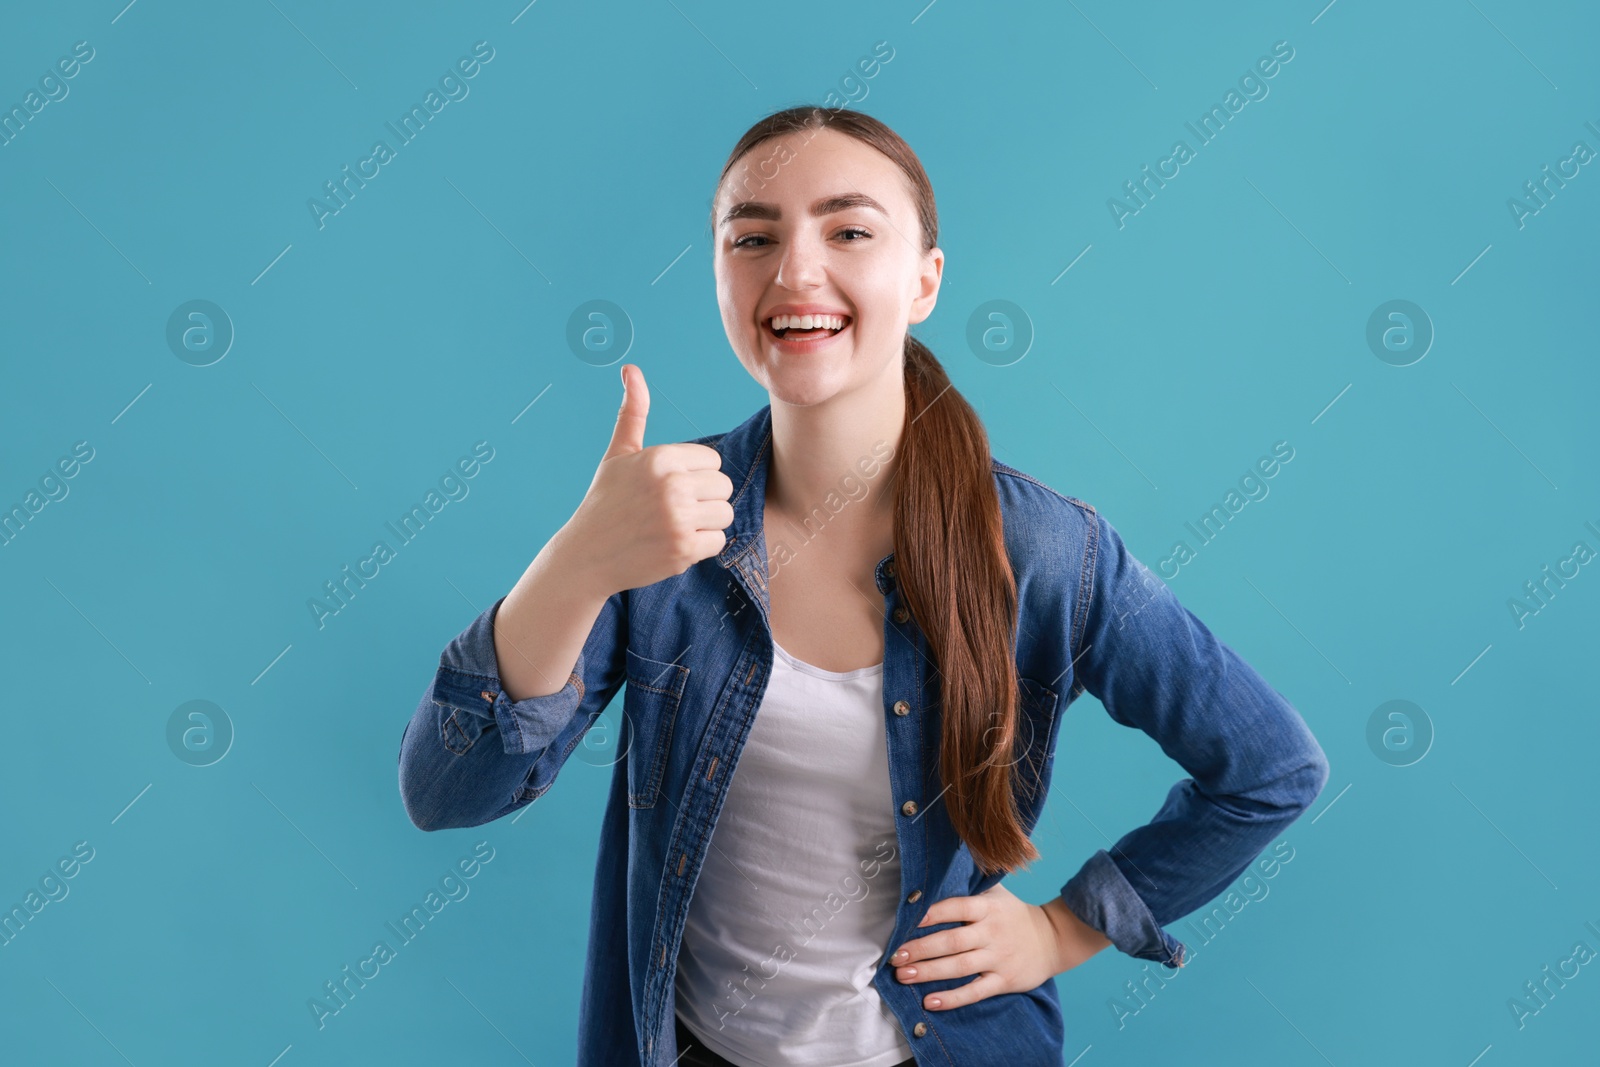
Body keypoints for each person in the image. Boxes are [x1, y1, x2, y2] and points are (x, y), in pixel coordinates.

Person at [397, 105, 1330, 1067]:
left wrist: (1064, 929)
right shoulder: (658, 532)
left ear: (925, 279)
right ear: (719, 277)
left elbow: (1271, 767)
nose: (795, 271)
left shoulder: (1046, 551)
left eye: (848, 230)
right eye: (753, 238)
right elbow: (446, 789)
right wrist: (579, 558)